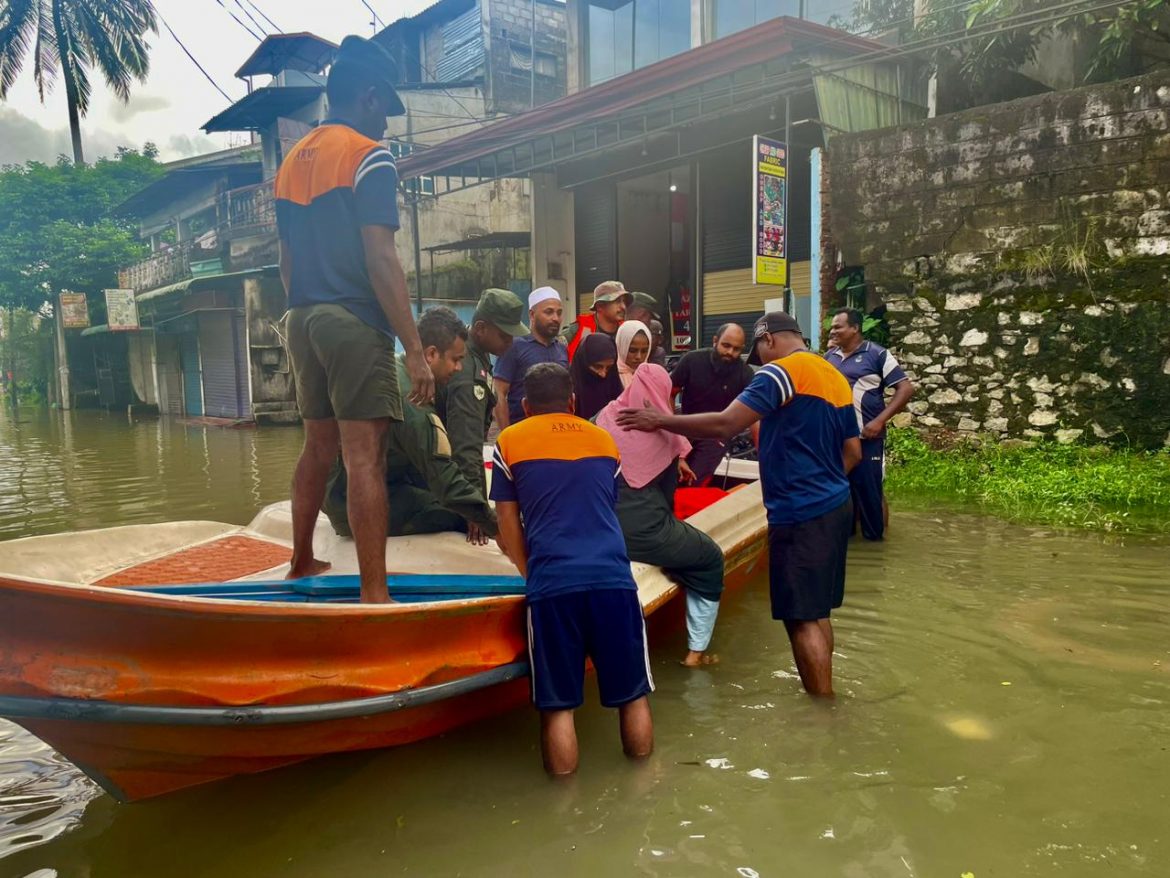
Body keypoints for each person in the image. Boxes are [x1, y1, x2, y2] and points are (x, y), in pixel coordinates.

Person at [617, 312, 861, 698]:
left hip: (800, 512)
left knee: (800, 619)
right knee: (817, 612)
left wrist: (660, 420)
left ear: (768, 341)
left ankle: (822, 710)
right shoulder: (833, 375)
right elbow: (853, 451)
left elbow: (725, 424)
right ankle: (825, 697)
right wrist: (825, 484)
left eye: (756, 351)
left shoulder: (780, 373)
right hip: (835, 505)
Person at [275, 35, 432, 604]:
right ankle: (374, 593)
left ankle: (299, 561)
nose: (385, 127)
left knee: (318, 445)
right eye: (383, 111)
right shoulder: (369, 156)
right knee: (364, 453)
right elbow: (381, 257)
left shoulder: (293, 159)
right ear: (367, 97)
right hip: (351, 318)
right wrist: (414, 349)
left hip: (302, 316)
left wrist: (307, 311)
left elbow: (286, 259)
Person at [491, 363, 654, 776]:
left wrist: (533, 574)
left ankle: (565, 808)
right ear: (573, 402)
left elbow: (508, 526)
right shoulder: (604, 441)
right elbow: (603, 505)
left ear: (526, 405)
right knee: (633, 696)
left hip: (554, 585)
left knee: (558, 706)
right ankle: (645, 792)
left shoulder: (509, 442)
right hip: (614, 580)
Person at [322, 308, 498, 544]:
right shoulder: (413, 402)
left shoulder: (396, 368)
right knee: (457, 513)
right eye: (455, 360)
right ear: (431, 355)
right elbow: (445, 480)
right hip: (351, 503)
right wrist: (496, 526)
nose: (458, 369)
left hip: (344, 487)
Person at [597, 365, 725, 667]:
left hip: (599, 528)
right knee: (709, 558)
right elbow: (666, 502)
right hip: (641, 531)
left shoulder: (603, 418)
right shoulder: (665, 432)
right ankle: (696, 653)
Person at [437, 288, 528, 542]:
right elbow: (466, 447)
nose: (510, 342)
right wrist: (475, 511)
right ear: (480, 328)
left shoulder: (475, 356)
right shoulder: (467, 372)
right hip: (448, 483)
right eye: (504, 335)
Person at [825, 308, 916, 541]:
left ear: (855, 328)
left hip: (868, 439)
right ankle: (848, 545)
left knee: (870, 494)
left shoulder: (877, 354)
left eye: (838, 326)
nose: (832, 331)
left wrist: (879, 421)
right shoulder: (830, 358)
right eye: (832, 327)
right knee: (841, 494)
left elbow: (905, 389)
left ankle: (876, 549)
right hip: (838, 441)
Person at [670, 324, 757, 484]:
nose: (730, 352)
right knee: (671, 478)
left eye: (736, 349)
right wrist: (670, 425)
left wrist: (764, 455)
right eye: (726, 345)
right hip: (684, 426)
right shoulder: (692, 360)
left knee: (694, 481)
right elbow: (670, 392)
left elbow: (755, 414)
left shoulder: (745, 373)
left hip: (716, 434)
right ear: (715, 341)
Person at [493, 287, 568, 428]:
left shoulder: (561, 349)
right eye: (549, 312)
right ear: (532, 315)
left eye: (559, 313)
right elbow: (499, 393)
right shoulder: (514, 347)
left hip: (557, 433)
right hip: (523, 432)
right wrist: (506, 434)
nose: (555, 318)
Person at [563, 280, 632, 360]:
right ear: (599, 306)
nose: (623, 307)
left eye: (624, 301)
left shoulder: (626, 330)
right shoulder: (579, 329)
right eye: (617, 301)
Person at [569, 332, 622, 421]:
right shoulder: (567, 391)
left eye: (609, 368)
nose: (603, 374)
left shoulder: (615, 386)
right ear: (584, 362)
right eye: (598, 367)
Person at [615, 320, 652, 389]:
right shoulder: (609, 376)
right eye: (632, 350)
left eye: (644, 351)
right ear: (622, 347)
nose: (638, 357)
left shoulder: (652, 376)